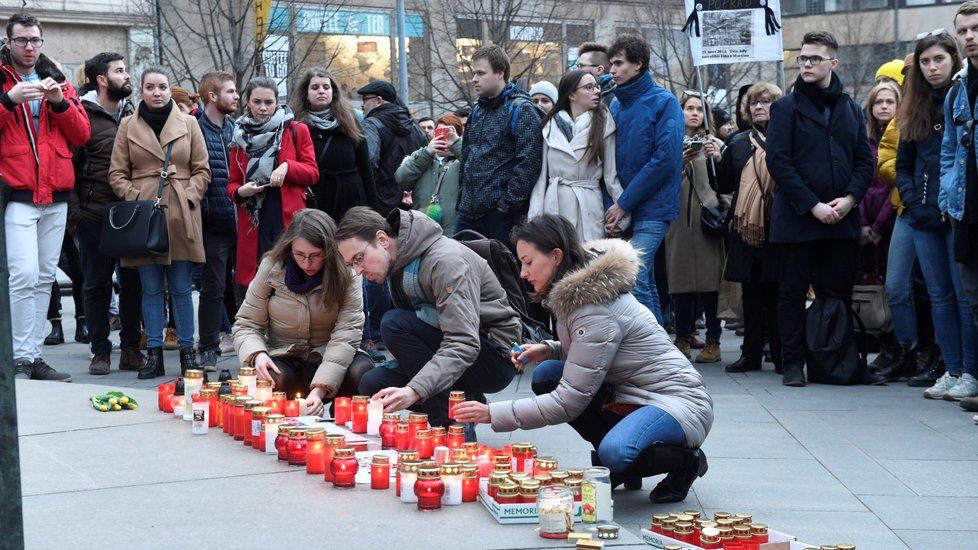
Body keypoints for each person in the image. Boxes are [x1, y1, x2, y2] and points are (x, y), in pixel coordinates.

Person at [454, 215, 713, 503]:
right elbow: (599, 350)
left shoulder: (593, 307)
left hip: (676, 402)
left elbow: (569, 401)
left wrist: (492, 414)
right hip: (633, 392)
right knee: (547, 373)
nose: (523, 273)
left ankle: (686, 462)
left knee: (615, 453)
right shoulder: (579, 293)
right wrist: (552, 349)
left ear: (556, 257)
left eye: (528, 262)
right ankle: (624, 463)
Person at [336, 207, 520, 427]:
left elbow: (465, 343)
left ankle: (451, 426)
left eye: (359, 258)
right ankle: (464, 398)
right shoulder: (399, 264)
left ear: (382, 239)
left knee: (393, 324)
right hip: (452, 349)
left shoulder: (445, 261)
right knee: (373, 384)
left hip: (493, 356)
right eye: (351, 265)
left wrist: (415, 390)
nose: (357, 271)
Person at [765, 31, 874, 387]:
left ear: (833, 63)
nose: (807, 64)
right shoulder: (785, 107)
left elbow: (863, 160)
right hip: (799, 217)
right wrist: (812, 205)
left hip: (841, 218)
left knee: (836, 292)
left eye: (814, 58)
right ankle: (793, 362)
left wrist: (850, 200)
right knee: (792, 291)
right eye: (803, 59)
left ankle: (832, 359)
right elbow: (778, 162)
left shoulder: (851, 108)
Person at [3, 12, 91, 382]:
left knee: (41, 278)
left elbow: (82, 135)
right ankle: (17, 355)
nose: (29, 47)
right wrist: (8, 100)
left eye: (35, 40)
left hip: (55, 195)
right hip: (16, 193)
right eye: (22, 40)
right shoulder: (3, 80)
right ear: (8, 41)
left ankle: (30, 356)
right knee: (22, 275)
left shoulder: (58, 79)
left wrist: (58, 102)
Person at [108, 66, 210, 379]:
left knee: (181, 288)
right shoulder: (127, 126)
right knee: (150, 289)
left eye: (162, 87)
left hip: (180, 213)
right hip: (143, 217)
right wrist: (136, 197)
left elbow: (203, 170)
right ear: (141, 90)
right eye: (150, 87)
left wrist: (189, 197)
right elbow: (116, 173)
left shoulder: (190, 123)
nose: (157, 93)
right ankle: (153, 354)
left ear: (169, 90)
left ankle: (187, 353)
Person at [234, 209, 374, 412]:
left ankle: (344, 417)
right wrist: (257, 354)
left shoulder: (348, 272)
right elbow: (247, 323)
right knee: (269, 378)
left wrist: (320, 388)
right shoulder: (272, 267)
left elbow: (346, 335)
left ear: (329, 250)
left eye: (316, 256)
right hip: (284, 354)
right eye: (299, 255)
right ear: (289, 247)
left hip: (330, 354)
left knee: (363, 373)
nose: (307, 263)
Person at [901, 30, 976, 400]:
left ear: (953, 60)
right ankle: (953, 367)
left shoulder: (963, 96)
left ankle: (970, 372)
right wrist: (914, 201)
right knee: (939, 296)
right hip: (924, 217)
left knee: (964, 296)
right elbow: (904, 164)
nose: (932, 67)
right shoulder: (913, 104)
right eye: (925, 61)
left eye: (939, 60)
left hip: (958, 213)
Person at [73, 51, 145, 375]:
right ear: (102, 80)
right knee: (96, 285)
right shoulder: (81, 115)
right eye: (119, 71)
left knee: (132, 283)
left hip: (129, 215)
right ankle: (100, 352)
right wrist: (77, 217)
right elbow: (69, 167)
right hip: (94, 215)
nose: (127, 75)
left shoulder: (132, 114)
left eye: (126, 69)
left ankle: (130, 349)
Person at [604, 35, 683, 326]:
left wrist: (623, 203)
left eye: (619, 63)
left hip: (654, 207)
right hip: (623, 207)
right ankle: (655, 356)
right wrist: (614, 206)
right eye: (611, 63)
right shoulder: (615, 106)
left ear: (638, 64)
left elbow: (665, 160)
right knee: (641, 280)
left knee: (634, 274)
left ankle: (657, 354)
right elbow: (609, 162)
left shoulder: (665, 102)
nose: (612, 70)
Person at [879, 54, 944, 387]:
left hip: (940, 209)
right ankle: (908, 349)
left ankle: (940, 355)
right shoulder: (904, 114)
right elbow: (890, 160)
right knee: (896, 286)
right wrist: (909, 189)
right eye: (906, 73)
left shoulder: (944, 103)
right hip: (908, 208)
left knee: (939, 290)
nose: (910, 77)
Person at [227, 76, 319, 290]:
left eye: (269, 102)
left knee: (290, 281)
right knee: (257, 285)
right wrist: (241, 191)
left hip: (287, 218)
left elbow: (312, 173)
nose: (263, 108)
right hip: (254, 220)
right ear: (247, 102)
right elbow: (232, 184)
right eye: (257, 102)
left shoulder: (295, 130)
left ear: (277, 102)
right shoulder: (239, 136)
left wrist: (287, 167)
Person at [719, 82, 783, 374]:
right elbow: (724, 185)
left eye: (767, 101)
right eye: (754, 102)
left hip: (779, 225)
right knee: (751, 295)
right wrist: (718, 159)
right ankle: (751, 354)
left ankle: (782, 353)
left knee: (780, 293)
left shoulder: (787, 138)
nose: (759, 106)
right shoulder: (738, 141)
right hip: (746, 228)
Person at [456, 45, 543, 248]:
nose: (474, 79)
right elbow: (467, 156)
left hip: (501, 217)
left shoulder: (522, 109)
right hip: (467, 212)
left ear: (500, 72)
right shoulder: (477, 110)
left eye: (480, 73)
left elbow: (528, 162)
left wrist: (507, 206)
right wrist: (462, 201)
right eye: (473, 73)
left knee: (506, 276)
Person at [528, 69, 627, 242]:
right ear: (572, 94)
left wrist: (622, 218)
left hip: (588, 207)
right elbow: (540, 180)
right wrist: (534, 220)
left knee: (589, 263)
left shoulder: (605, 124)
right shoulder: (550, 125)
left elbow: (612, 178)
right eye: (589, 87)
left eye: (596, 86)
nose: (597, 91)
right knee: (558, 262)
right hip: (555, 206)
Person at [666, 92, 729, 363]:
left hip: (707, 222)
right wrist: (679, 160)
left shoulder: (716, 145)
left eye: (699, 109)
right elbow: (662, 180)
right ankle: (681, 338)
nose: (694, 113)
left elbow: (728, 182)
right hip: (678, 222)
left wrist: (718, 159)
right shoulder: (669, 143)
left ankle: (713, 342)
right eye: (689, 108)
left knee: (710, 284)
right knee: (680, 284)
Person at [944, 0, 978, 414]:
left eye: (975, 28)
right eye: (964, 30)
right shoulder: (959, 86)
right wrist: (948, 198)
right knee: (974, 299)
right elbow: (950, 150)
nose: (970, 36)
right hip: (965, 209)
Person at [194, 71, 239, 371]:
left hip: (243, 219)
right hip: (214, 222)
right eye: (231, 92)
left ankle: (246, 340)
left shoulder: (237, 129)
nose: (236, 97)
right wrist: (207, 207)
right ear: (212, 95)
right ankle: (209, 347)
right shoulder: (196, 129)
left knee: (244, 285)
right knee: (212, 288)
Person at [290, 68, 378, 221]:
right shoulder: (295, 126)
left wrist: (374, 211)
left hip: (351, 204)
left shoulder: (350, 122)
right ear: (306, 93)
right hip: (315, 206)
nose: (321, 91)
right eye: (315, 87)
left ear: (333, 92)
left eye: (326, 87)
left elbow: (366, 170)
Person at [357, 80, 426, 215]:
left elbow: (368, 165)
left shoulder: (371, 124)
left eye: (365, 100)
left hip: (380, 205)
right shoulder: (415, 126)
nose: (362, 105)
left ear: (378, 101)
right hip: (414, 204)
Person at [395, 114, 463, 235]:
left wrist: (457, 146)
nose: (444, 137)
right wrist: (427, 153)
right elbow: (401, 180)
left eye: (449, 133)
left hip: (455, 231)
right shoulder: (422, 156)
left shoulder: (463, 160)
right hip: (423, 230)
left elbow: (478, 171)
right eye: (440, 132)